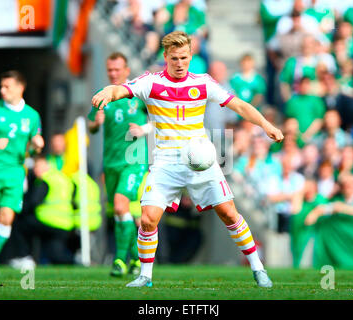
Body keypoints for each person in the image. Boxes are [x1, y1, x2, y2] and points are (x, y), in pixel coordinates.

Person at [92, 31, 284, 288]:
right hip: (165, 161)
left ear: (191, 56)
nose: (180, 63)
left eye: (184, 57)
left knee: (229, 213)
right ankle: (145, 277)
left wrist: (265, 124)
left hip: (200, 159)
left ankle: (258, 269)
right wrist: (108, 91)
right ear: (165, 57)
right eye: (174, 58)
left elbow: (238, 105)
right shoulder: (151, 82)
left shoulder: (203, 82)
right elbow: (121, 89)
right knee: (148, 217)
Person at [88, 52, 150, 277]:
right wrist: (95, 123)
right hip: (111, 162)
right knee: (119, 212)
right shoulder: (102, 96)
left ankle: (118, 260)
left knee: (121, 206)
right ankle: (135, 258)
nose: (113, 74)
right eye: (110, 70)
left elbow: (162, 120)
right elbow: (91, 126)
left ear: (126, 70)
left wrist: (144, 130)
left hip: (134, 161)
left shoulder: (139, 95)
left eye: (117, 69)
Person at [0, 70, 44, 271]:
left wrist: (37, 145)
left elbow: (32, 147)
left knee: (7, 218)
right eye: (1, 86)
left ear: (20, 88)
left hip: (15, 173)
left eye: (7, 86)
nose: (2, 90)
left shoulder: (32, 115)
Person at [8, 155, 75, 265]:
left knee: (20, 225)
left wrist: (18, 207)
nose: (35, 170)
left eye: (37, 167)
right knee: (56, 256)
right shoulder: (62, 178)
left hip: (49, 221)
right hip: (65, 223)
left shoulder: (45, 180)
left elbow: (33, 202)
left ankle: (24, 257)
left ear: (46, 167)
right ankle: (75, 261)